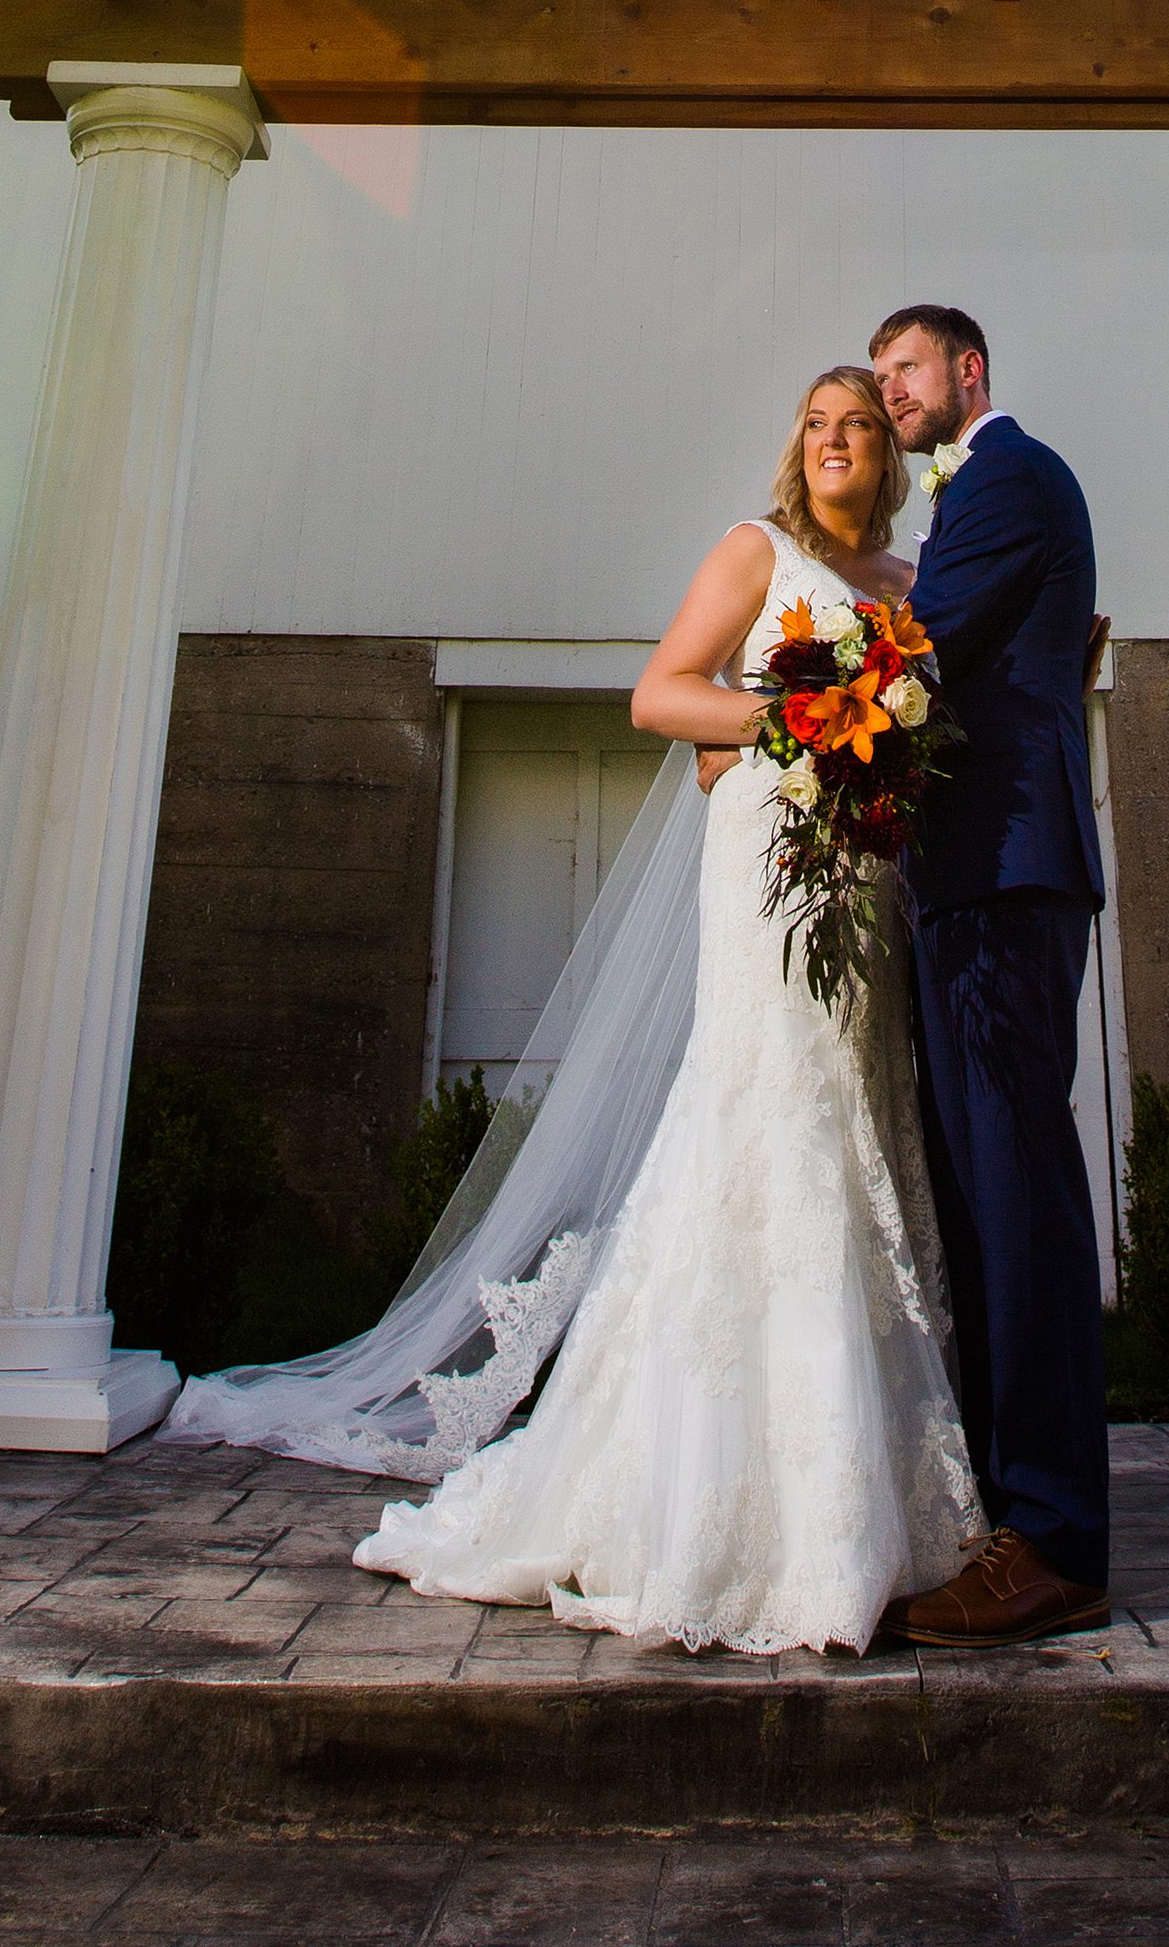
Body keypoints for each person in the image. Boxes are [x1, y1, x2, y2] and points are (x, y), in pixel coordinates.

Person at [337, 364, 981, 1654]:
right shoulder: (758, 551)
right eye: (818, 422)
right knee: (771, 1114)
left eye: (863, 422)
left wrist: (890, 744)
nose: (841, 438)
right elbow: (660, 693)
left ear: (890, 455)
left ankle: (858, 1489)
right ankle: (715, 1505)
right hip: (768, 870)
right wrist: (794, 721)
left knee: (860, 1116)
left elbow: (918, 733)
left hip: (866, 877)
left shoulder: (906, 593)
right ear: (797, 450)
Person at [867, 303, 1111, 1643]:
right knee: (976, 1198)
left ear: (969, 370)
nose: (890, 387)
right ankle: (1007, 1510)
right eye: (881, 371)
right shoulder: (975, 497)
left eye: (904, 367)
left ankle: (1057, 1536)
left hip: (1009, 875)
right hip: (964, 880)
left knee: (1018, 1201)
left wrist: (776, 712)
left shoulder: (1012, 472)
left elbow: (918, 650)